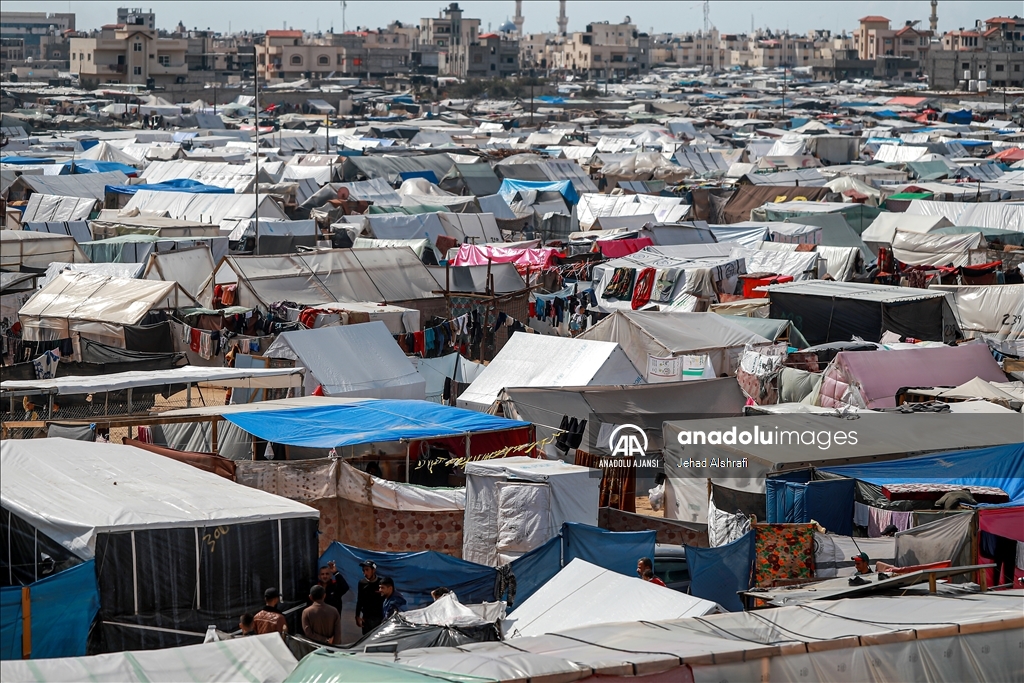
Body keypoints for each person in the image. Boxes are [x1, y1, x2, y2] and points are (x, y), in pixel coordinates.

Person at [355, 560, 385, 634]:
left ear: (373, 570)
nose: (365, 573)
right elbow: (360, 600)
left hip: (379, 618)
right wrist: (357, 616)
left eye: (367, 570)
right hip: (366, 618)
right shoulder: (362, 583)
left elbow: (386, 599)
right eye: (363, 570)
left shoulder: (381, 583)